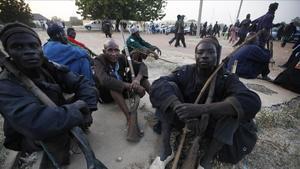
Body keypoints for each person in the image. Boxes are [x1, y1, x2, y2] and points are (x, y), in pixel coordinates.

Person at [149, 36, 261, 169]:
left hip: (212, 126)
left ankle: (205, 161)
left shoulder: (227, 78)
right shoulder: (186, 71)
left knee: (233, 110)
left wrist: (202, 109)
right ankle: (166, 150)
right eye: (200, 52)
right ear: (195, 55)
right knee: (168, 89)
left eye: (210, 52)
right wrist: (179, 108)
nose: (204, 56)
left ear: (217, 55)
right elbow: (158, 84)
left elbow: (252, 100)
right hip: (184, 119)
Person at [0, 22, 98, 167]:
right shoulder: (5, 85)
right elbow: (37, 124)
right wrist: (77, 109)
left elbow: (80, 82)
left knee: (91, 93)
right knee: (55, 142)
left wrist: (87, 107)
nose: (29, 51)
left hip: (57, 111)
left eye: (33, 46)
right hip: (30, 134)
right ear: (8, 53)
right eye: (18, 47)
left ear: (40, 48)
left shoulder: (46, 65)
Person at [94, 39, 150, 133]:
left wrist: (137, 80)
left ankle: (158, 103)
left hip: (122, 89)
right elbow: (104, 81)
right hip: (106, 95)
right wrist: (130, 86)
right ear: (104, 51)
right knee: (113, 85)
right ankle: (129, 118)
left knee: (142, 79)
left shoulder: (121, 57)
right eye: (110, 50)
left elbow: (142, 66)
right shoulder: (99, 60)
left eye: (116, 50)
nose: (114, 53)